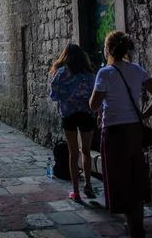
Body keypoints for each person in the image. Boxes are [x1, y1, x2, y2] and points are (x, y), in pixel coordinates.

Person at [90, 31, 152, 238]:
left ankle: (134, 226)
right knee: (135, 174)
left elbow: (93, 105)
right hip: (134, 130)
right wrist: (144, 114)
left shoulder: (105, 73)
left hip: (114, 132)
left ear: (108, 50)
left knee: (121, 177)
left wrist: (102, 105)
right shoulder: (137, 70)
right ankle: (136, 223)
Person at [50, 43, 96, 201]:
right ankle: (88, 184)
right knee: (86, 151)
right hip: (86, 114)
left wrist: (66, 97)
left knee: (73, 152)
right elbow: (94, 94)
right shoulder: (89, 74)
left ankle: (76, 191)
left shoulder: (62, 73)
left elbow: (53, 95)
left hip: (69, 114)